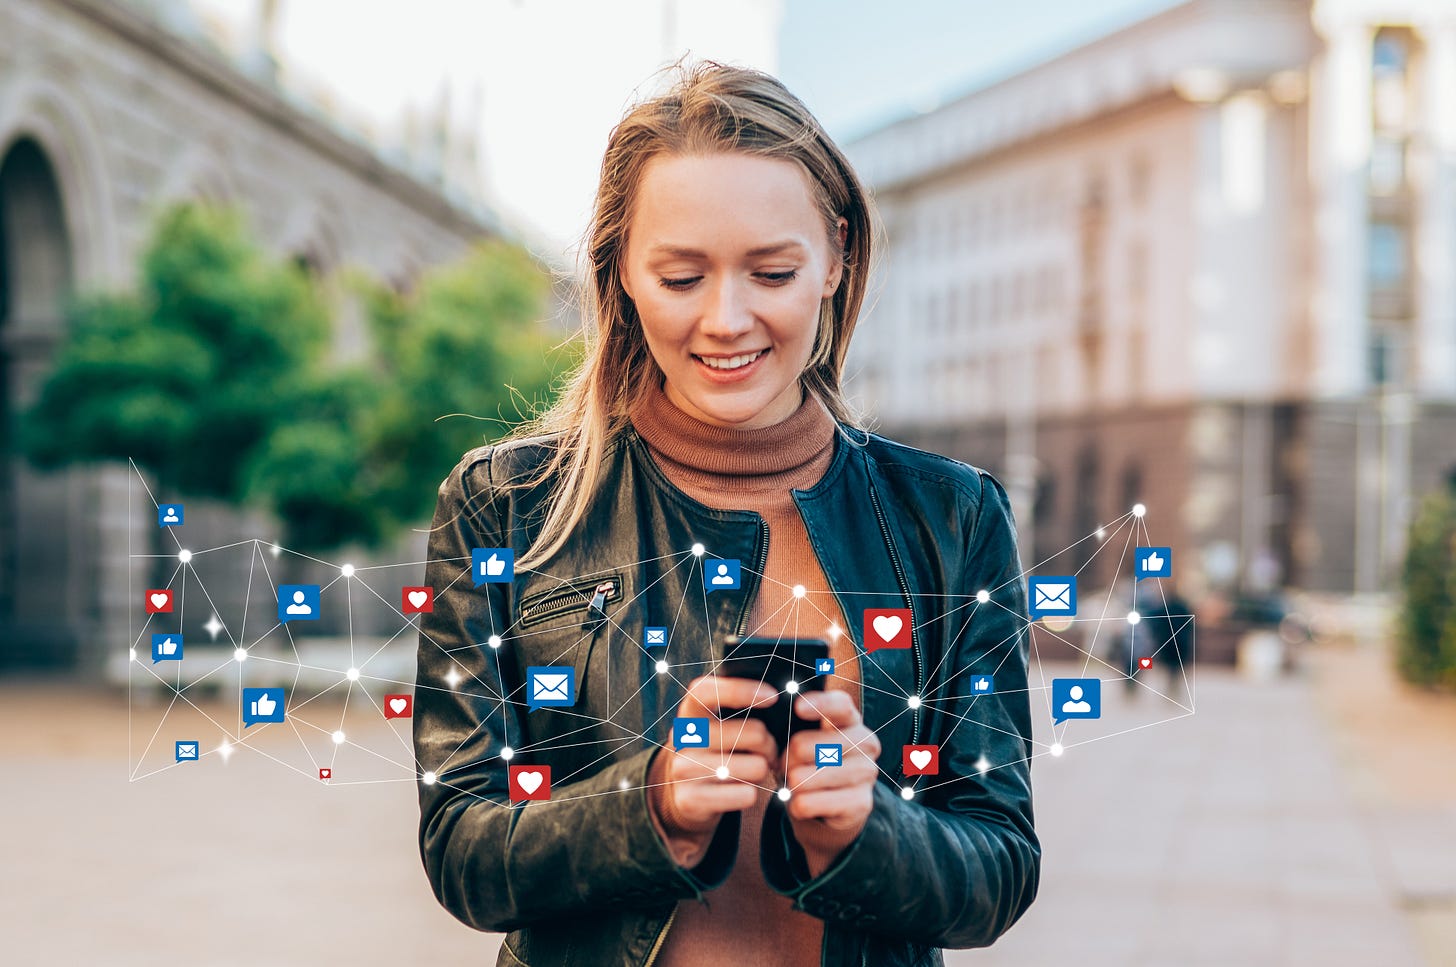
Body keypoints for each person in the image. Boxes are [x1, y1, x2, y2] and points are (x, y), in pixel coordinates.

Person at [413, 60, 1040, 967]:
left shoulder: (951, 516)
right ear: (620, 269)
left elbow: (1001, 864)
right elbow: (462, 849)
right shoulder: (503, 508)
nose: (727, 319)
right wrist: (652, 801)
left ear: (836, 258)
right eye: (680, 277)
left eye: (772, 271)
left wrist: (868, 833)